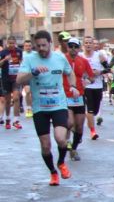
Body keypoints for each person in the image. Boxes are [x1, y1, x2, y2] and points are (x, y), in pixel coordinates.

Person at [15, 30, 75, 185]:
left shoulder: (59, 58)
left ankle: (61, 162)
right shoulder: (29, 59)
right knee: (45, 145)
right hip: (40, 107)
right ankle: (53, 173)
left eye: (44, 45)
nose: (41, 48)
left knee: (61, 138)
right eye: (38, 46)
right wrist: (33, 72)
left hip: (58, 105)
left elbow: (70, 72)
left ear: (50, 44)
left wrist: (73, 86)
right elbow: (19, 79)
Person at [63, 38, 92, 161]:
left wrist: (88, 81)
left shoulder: (83, 61)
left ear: (79, 48)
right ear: (67, 47)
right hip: (65, 95)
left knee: (79, 126)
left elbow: (91, 76)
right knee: (69, 123)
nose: (73, 49)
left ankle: (74, 148)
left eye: (76, 46)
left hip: (79, 96)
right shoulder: (61, 59)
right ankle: (67, 142)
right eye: (71, 46)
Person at [82, 36, 109, 138]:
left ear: (93, 45)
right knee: (90, 109)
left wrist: (100, 72)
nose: (88, 44)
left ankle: (89, 117)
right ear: (83, 45)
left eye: (90, 43)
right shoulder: (80, 56)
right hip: (86, 86)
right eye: (86, 43)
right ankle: (93, 132)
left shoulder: (99, 56)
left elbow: (108, 68)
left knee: (95, 111)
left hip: (97, 85)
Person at [0, 36, 20, 130]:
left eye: (13, 43)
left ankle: (16, 120)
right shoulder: (3, 52)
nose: (11, 45)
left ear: (15, 43)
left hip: (16, 78)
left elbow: (22, 63)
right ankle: (8, 119)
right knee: (8, 101)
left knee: (16, 98)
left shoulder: (19, 51)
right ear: (7, 43)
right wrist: (5, 60)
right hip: (6, 79)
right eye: (10, 43)